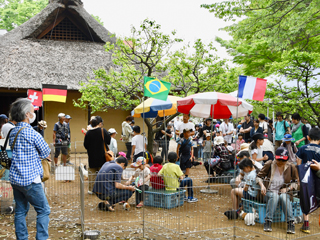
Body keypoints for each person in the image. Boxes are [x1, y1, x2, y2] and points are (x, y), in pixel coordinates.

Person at [8, 98, 51, 239]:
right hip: (30, 179)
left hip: (16, 178)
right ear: (27, 114)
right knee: (43, 210)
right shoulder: (32, 133)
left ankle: (22, 238)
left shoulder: (13, 132)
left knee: (20, 211)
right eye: (33, 112)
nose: (34, 114)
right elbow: (46, 151)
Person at [257, 147, 298, 234]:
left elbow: (297, 183)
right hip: (269, 192)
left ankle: (291, 223)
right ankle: (268, 221)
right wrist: (262, 186)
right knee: (274, 196)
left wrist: (288, 188)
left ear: (287, 160)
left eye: (283, 161)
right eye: (278, 160)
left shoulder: (291, 166)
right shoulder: (269, 164)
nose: (280, 162)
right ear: (275, 157)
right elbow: (258, 177)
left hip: (284, 193)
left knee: (283, 197)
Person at [296, 127, 320, 234]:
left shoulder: (302, 148)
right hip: (318, 178)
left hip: (306, 179)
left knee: (306, 198)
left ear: (308, 137)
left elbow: (298, 163)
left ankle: (306, 225)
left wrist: (298, 178)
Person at [84, 116, 111, 194]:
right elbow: (108, 141)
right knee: (103, 173)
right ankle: (103, 189)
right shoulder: (103, 131)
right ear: (100, 123)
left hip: (92, 156)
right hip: (102, 156)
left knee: (92, 173)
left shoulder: (88, 133)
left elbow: (85, 145)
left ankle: (91, 189)